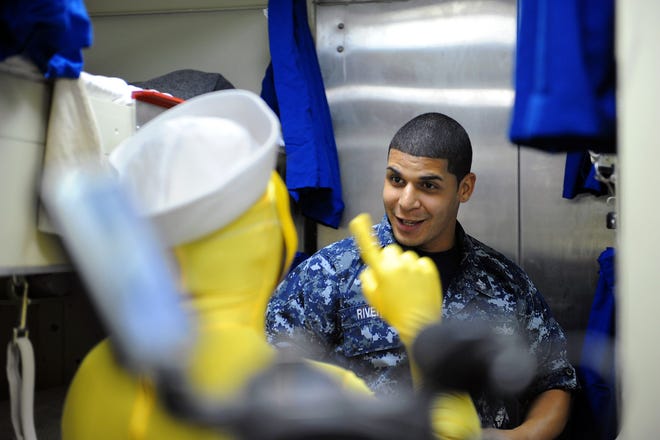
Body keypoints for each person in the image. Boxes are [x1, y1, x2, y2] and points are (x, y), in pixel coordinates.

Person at [59, 91, 481, 440]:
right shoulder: (310, 400)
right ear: (277, 239)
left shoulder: (92, 376)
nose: (407, 200)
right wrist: (422, 330)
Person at [265, 112, 579, 439]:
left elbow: (554, 380)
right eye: (396, 180)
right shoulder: (331, 272)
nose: (406, 202)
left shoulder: (504, 283)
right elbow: (271, 375)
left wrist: (519, 437)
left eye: (428, 186)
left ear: (465, 188)